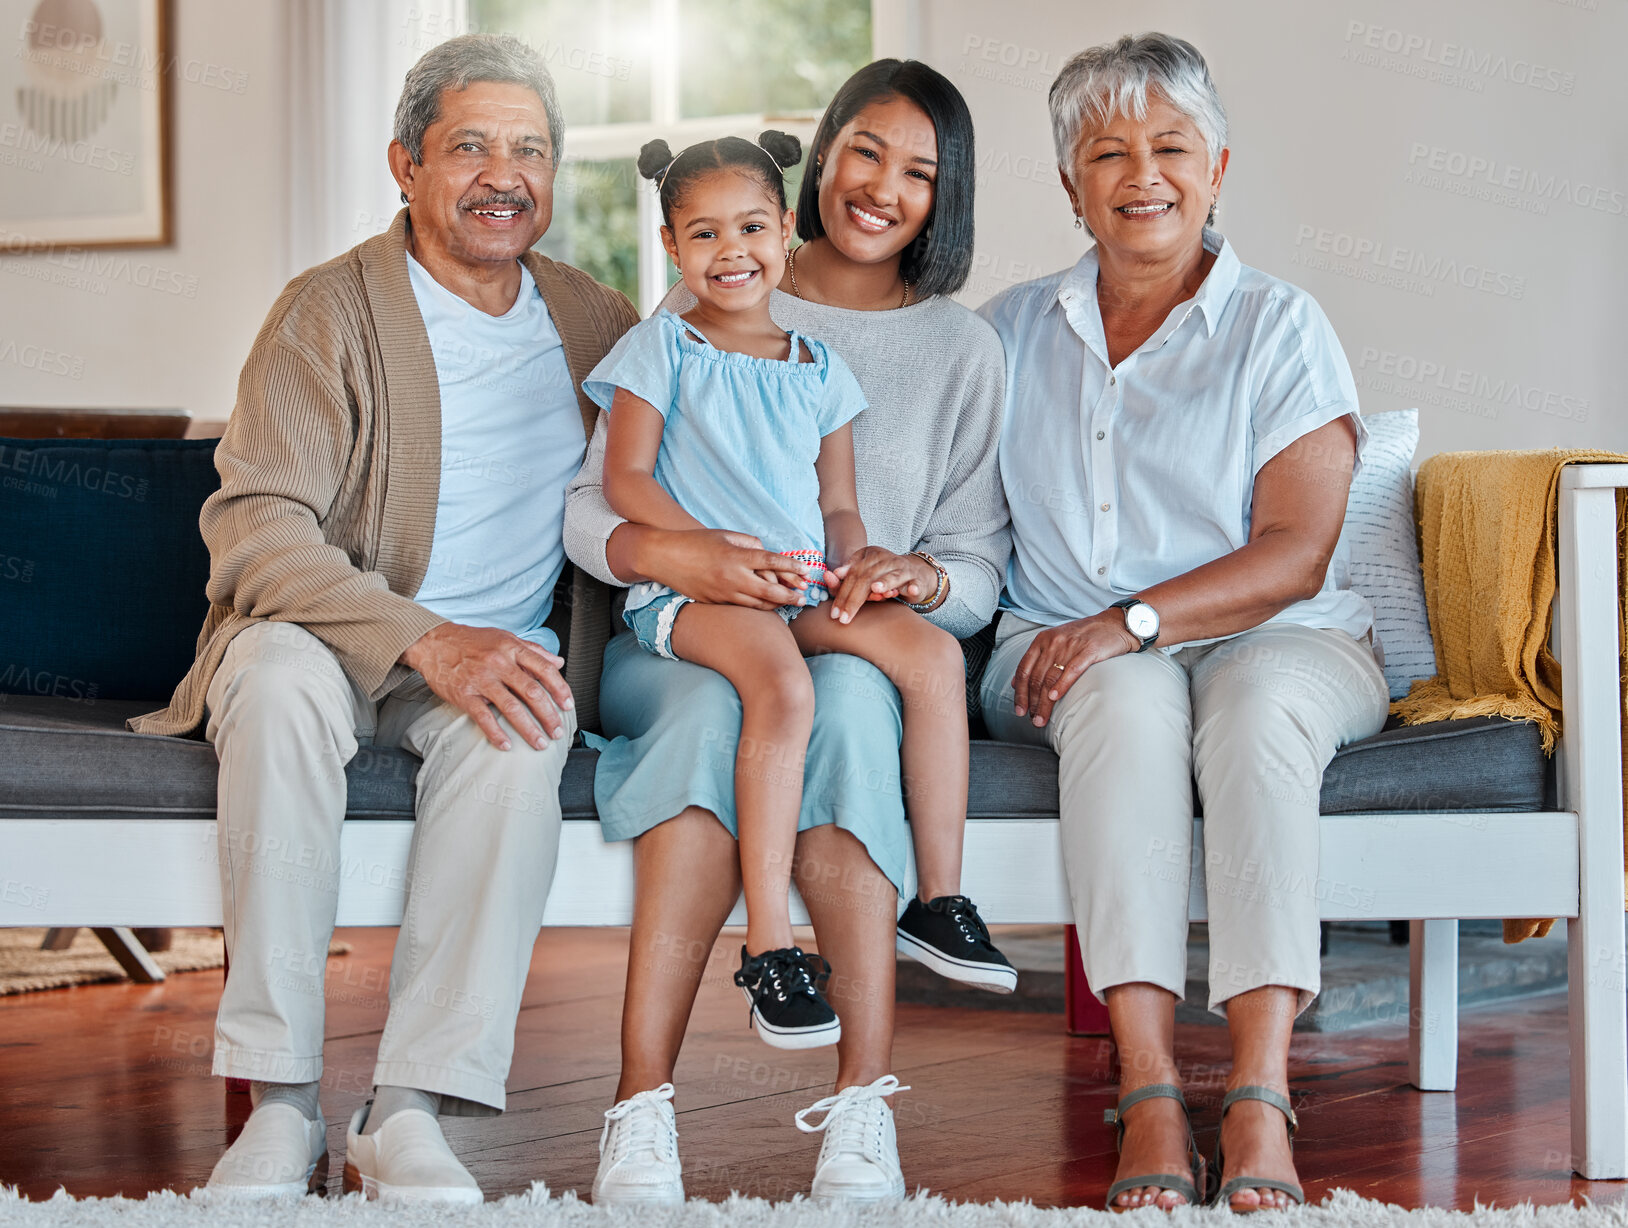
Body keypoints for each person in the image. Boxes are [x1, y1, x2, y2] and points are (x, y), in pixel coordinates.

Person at [129, 34, 637, 1204]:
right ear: (405, 165)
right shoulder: (326, 312)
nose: (503, 175)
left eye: (530, 150)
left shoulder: (595, 322)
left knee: (529, 719)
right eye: (470, 147)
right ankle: (278, 1099)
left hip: (486, 663)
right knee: (274, 677)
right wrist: (422, 636)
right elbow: (257, 525)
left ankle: (409, 1106)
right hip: (324, 641)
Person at [564, 60, 1010, 1206]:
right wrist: (687, 554)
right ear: (820, 153)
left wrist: (912, 576)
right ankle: (641, 1108)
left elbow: (966, 556)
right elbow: (599, 499)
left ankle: (866, 1096)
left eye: (919, 171)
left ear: (943, 194)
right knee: (723, 706)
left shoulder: (953, 351)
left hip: (836, 604)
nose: (882, 187)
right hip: (695, 615)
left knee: (868, 696)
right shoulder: (700, 310)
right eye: (865, 150)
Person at [977, 33, 1389, 1212]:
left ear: (1216, 169)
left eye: (1168, 146)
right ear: (1068, 185)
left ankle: (1260, 1091)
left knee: (1251, 708)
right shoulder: (1006, 332)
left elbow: (1293, 551)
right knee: (1119, 703)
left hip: (1286, 635)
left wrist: (1133, 616)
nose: (1139, 173)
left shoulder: (1279, 324)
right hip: (1072, 644)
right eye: (1105, 151)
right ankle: (1147, 1089)